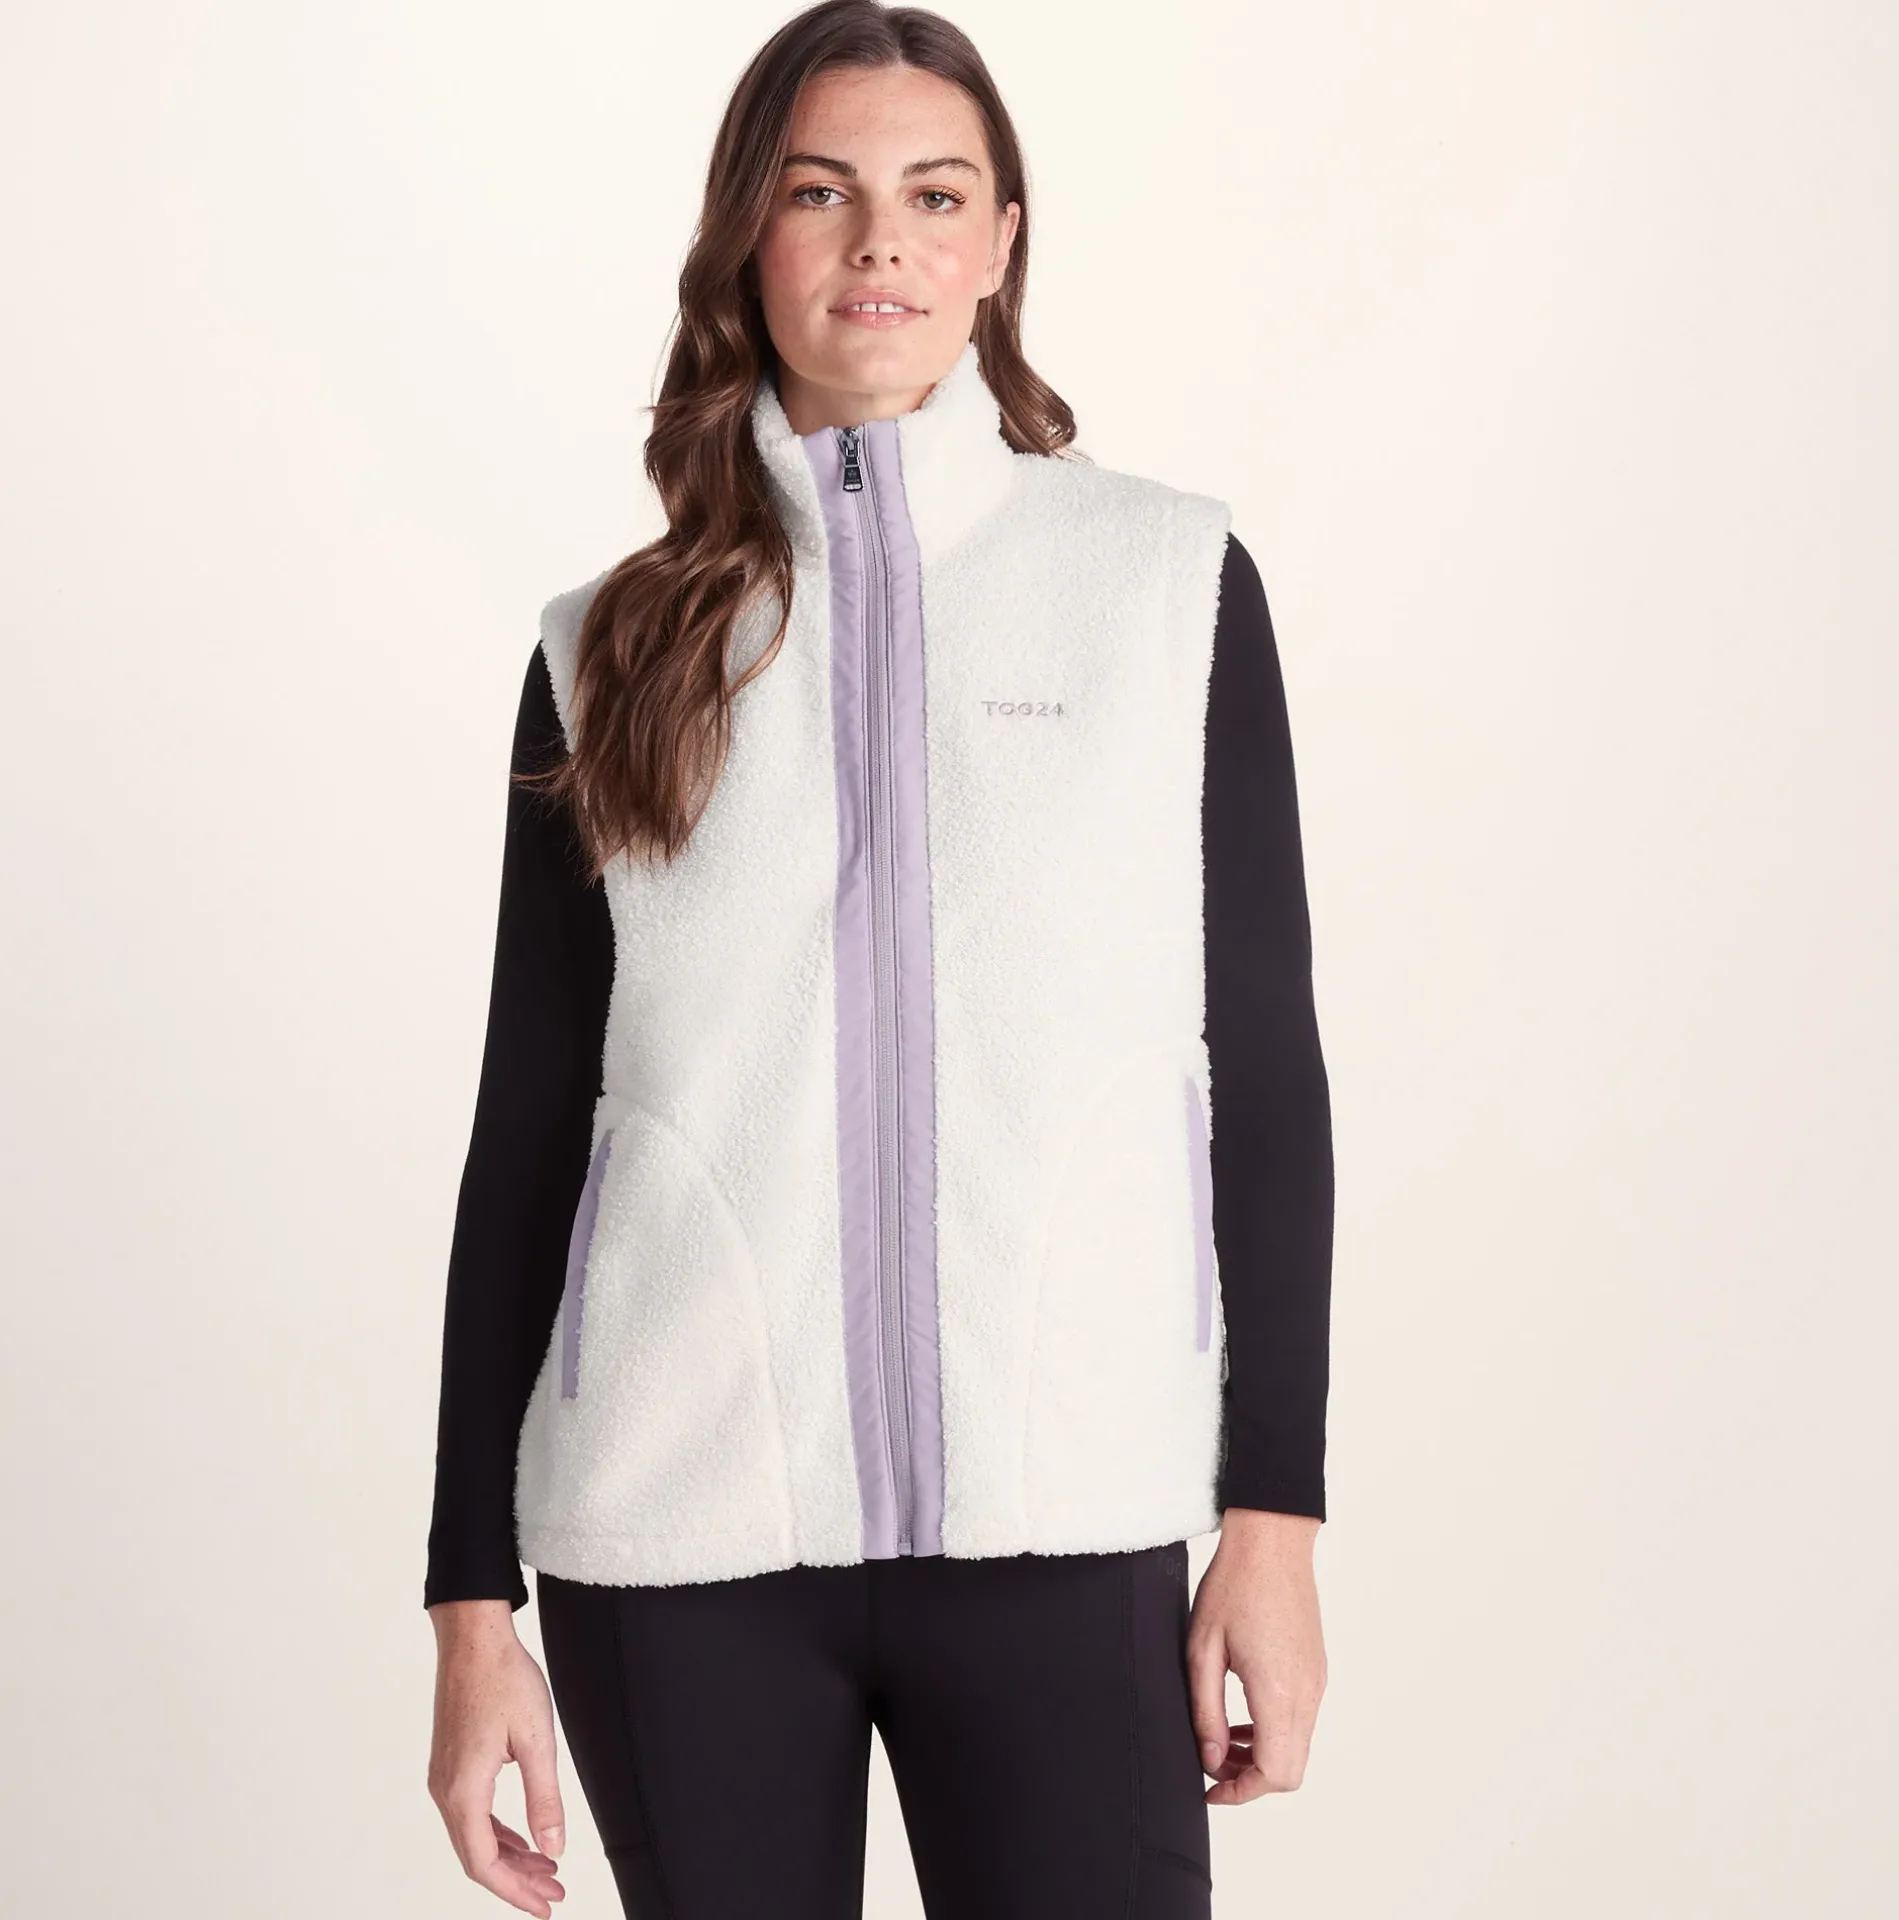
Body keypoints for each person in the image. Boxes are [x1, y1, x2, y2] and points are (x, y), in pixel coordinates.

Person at [423, 4, 1334, 1915]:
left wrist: (1274, 1515)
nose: (878, 244)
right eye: (818, 193)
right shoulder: (609, 645)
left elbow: (1262, 1068)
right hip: (673, 1541)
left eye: (934, 194)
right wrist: (467, 1602)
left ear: (1003, 239)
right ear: (747, 238)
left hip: (1066, 1515)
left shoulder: (1164, 587)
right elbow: (528, 1125)